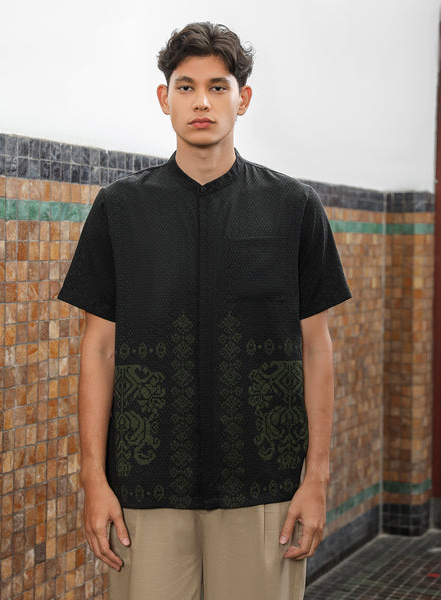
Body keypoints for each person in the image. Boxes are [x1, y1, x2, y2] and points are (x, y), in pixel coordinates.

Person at [58, 21, 351, 600]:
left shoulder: (293, 207)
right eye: (186, 87)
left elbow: (316, 348)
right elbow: (99, 348)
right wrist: (94, 479)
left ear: (243, 99)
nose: (201, 102)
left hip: (265, 489)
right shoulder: (120, 208)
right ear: (164, 98)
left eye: (218, 87)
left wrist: (315, 478)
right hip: (144, 489)